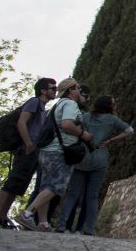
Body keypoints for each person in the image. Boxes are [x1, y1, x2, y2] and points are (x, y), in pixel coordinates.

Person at [19, 79, 92, 232]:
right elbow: (66, 124)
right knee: (57, 186)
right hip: (59, 151)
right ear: (71, 90)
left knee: (45, 187)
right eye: (78, 88)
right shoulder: (70, 104)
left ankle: (43, 223)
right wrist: (82, 134)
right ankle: (27, 214)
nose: (79, 91)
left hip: (46, 151)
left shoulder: (57, 105)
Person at [56, 94, 133, 235]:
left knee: (72, 194)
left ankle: (61, 226)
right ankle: (89, 229)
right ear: (109, 106)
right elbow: (129, 130)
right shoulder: (112, 120)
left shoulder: (85, 117)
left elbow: (69, 124)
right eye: (113, 103)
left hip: (82, 158)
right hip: (100, 158)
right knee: (92, 196)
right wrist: (111, 140)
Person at [0, 78, 56, 228]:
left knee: (17, 186)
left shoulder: (42, 108)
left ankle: (1, 217)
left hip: (31, 151)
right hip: (26, 150)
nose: (55, 90)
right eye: (52, 88)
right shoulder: (34, 102)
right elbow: (21, 122)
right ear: (43, 91)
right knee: (11, 183)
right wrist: (28, 143)